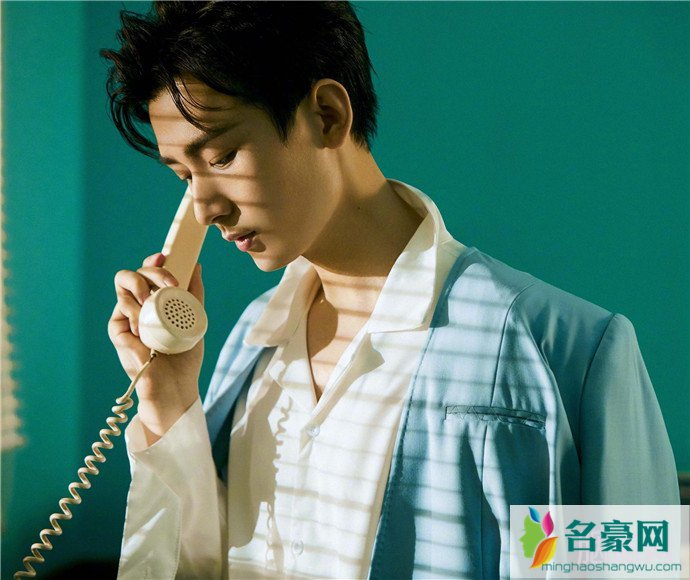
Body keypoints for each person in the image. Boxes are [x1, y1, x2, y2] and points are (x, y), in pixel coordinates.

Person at [102, 2, 680, 579]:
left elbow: (632, 566)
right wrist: (167, 397)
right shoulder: (253, 343)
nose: (205, 207)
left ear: (327, 116)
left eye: (222, 156)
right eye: (185, 176)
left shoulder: (564, 348)